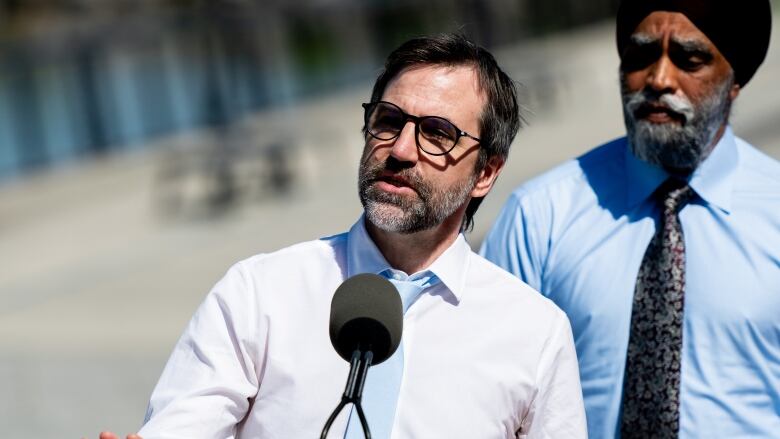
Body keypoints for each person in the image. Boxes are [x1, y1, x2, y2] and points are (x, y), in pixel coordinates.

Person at [98, 34, 587, 439]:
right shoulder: (259, 293)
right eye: (389, 120)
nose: (399, 149)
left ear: (486, 173)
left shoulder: (534, 333)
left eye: (436, 133)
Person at [481, 1, 779, 438]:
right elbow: (485, 396)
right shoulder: (540, 216)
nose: (659, 79)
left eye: (689, 60)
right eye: (640, 57)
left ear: (736, 79)